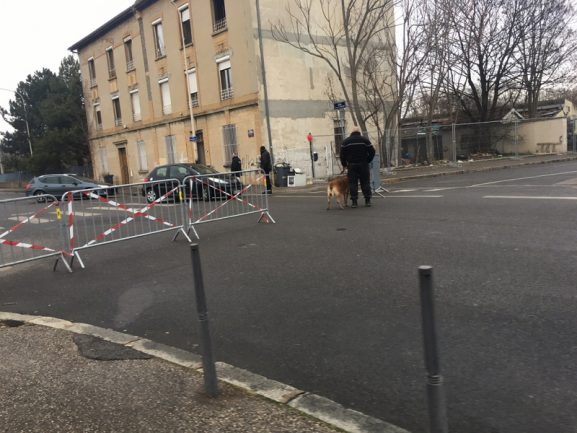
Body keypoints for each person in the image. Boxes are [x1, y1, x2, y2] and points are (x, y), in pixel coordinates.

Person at [339, 126, 375, 208]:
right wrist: (368, 160)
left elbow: (342, 155)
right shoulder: (365, 140)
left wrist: (344, 164)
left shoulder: (346, 142)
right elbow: (372, 151)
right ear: (359, 132)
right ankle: (367, 200)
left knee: (352, 183)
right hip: (363, 164)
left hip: (351, 165)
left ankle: (354, 202)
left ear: (351, 132)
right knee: (365, 182)